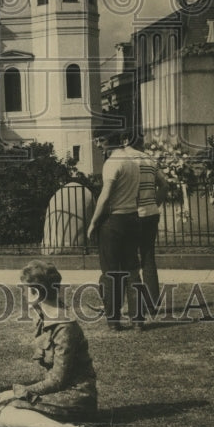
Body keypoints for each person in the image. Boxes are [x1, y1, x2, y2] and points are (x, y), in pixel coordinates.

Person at [0, 260, 102, 427]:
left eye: (25, 289)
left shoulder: (64, 326)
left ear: (35, 293)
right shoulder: (46, 317)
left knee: (3, 413)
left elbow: (58, 380)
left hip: (77, 399)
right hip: (63, 395)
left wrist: (17, 392)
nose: (23, 294)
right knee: (0, 411)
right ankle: (60, 426)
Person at [86, 132, 143, 331]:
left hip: (115, 220)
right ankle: (138, 320)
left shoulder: (112, 163)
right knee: (132, 271)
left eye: (100, 140)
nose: (99, 145)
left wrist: (93, 222)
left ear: (109, 141)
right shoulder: (133, 164)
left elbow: (105, 196)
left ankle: (113, 320)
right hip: (133, 218)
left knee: (111, 272)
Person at [136, 142, 169, 315]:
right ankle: (152, 303)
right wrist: (154, 203)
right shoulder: (149, 160)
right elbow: (164, 185)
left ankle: (135, 303)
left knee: (129, 261)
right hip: (151, 213)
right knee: (148, 257)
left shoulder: (129, 160)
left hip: (135, 214)